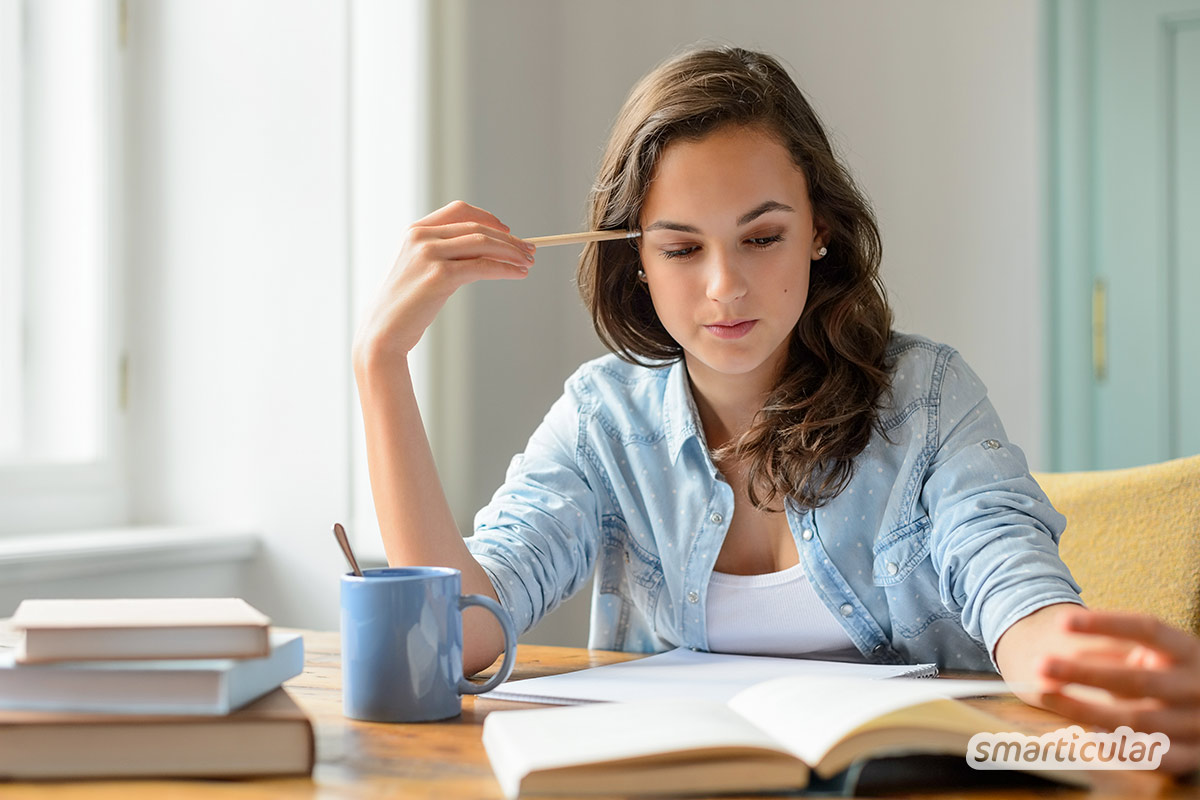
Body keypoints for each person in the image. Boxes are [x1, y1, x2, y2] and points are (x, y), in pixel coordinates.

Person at [353, 46, 1199, 776]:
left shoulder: (927, 397)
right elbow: (459, 641)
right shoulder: (603, 420)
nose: (725, 288)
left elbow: (1009, 577)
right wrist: (380, 365)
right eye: (682, 248)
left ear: (820, 231)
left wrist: (1068, 658)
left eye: (762, 237)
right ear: (636, 259)